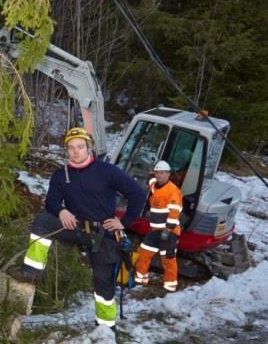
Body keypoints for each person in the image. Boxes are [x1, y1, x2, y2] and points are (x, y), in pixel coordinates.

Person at [13, 127, 146, 330]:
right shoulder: (61, 175)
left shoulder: (106, 171)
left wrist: (124, 221)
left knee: (103, 285)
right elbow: (51, 202)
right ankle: (31, 274)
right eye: (71, 148)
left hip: (103, 234)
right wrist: (61, 211)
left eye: (80, 147)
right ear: (66, 150)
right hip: (75, 228)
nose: (75, 151)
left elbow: (138, 193)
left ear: (89, 148)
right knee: (43, 221)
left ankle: (105, 327)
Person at [134, 160, 183, 292]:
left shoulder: (173, 191)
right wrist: (151, 173)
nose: (159, 175)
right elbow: (150, 181)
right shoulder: (155, 185)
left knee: (168, 259)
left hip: (168, 232)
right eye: (157, 173)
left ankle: (169, 286)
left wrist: (168, 230)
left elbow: (174, 212)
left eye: (162, 173)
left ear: (168, 174)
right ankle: (140, 280)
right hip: (154, 231)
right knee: (143, 253)